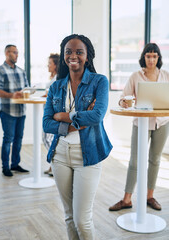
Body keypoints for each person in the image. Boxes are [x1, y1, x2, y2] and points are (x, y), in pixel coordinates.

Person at [43, 34, 113, 240]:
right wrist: (75, 123)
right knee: (69, 216)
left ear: (87, 56)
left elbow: (97, 116)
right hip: (60, 155)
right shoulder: (56, 86)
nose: (73, 56)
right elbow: (46, 123)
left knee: (82, 219)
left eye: (79, 52)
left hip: (88, 154)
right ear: (64, 56)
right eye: (69, 52)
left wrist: (63, 117)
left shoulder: (99, 82)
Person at [109, 43, 169, 212]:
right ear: (143, 57)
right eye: (148, 56)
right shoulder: (135, 76)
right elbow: (122, 99)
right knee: (135, 161)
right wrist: (125, 103)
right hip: (141, 123)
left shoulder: (166, 75)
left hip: (162, 122)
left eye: (154, 56)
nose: (151, 60)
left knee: (155, 159)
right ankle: (126, 199)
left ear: (158, 58)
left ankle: (150, 196)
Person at [0, 44, 29, 177]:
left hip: (21, 110)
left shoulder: (21, 71)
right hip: (8, 110)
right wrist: (12, 95)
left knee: (18, 138)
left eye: (17, 52)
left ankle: (15, 164)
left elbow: (26, 88)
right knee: (8, 138)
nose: (17, 55)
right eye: (14, 52)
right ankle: (5, 167)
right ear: (7, 53)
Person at [42, 53, 60, 176]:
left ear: (55, 65)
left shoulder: (58, 78)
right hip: (48, 112)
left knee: (47, 139)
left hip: (53, 114)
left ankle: (55, 164)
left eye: (50, 64)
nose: (48, 66)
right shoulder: (53, 77)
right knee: (49, 139)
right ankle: (53, 165)